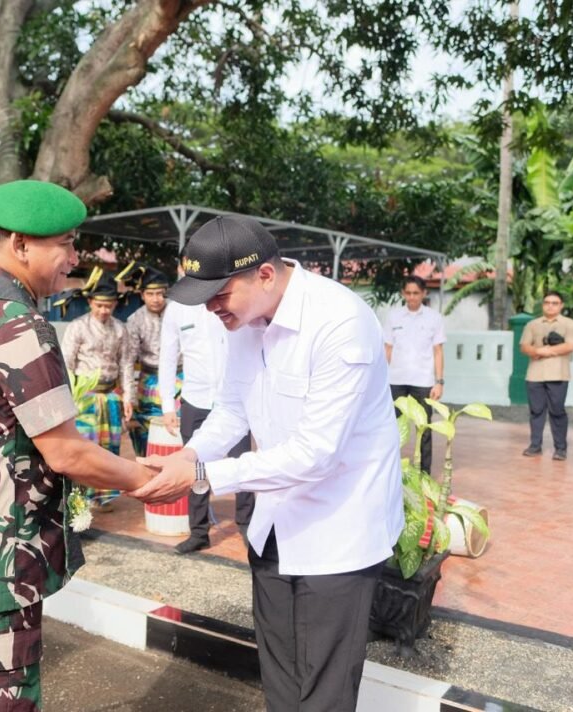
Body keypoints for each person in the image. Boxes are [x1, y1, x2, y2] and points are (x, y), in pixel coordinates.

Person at [131, 215, 404, 712]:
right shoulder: (243, 321)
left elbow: (317, 453)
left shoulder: (340, 322)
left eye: (219, 293)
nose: (211, 308)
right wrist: (189, 454)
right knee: (279, 671)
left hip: (338, 529)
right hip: (274, 521)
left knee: (324, 687)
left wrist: (201, 476)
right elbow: (233, 409)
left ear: (264, 275)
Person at [0, 180, 154, 712]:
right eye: (65, 245)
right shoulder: (14, 323)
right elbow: (66, 452)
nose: (74, 260)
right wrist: (149, 480)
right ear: (20, 245)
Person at [159, 297, 255, 554]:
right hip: (195, 399)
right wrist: (168, 405)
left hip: (233, 400)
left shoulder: (225, 301)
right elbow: (168, 357)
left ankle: (246, 524)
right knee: (196, 468)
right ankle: (199, 531)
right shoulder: (176, 309)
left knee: (241, 460)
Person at [61, 278, 133, 506]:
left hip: (110, 397)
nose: (104, 310)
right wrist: (66, 400)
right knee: (85, 448)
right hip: (84, 397)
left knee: (109, 448)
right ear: (90, 302)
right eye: (99, 305)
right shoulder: (77, 327)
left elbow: (126, 364)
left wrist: (128, 397)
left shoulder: (121, 329)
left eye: (109, 306)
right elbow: (66, 364)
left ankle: (103, 498)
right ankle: (79, 496)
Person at [383, 275, 446, 473]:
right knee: (392, 427)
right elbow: (388, 349)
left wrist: (439, 382)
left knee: (424, 427)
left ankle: (423, 473)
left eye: (416, 293)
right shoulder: (393, 317)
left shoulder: (434, 318)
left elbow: (438, 351)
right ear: (403, 293)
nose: (412, 297)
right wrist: (382, 379)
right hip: (396, 380)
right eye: (408, 293)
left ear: (424, 293)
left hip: (423, 381)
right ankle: (390, 470)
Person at [519, 290, 573, 460]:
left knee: (557, 411)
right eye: (547, 302)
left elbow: (570, 346)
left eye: (554, 303)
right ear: (543, 305)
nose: (550, 306)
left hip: (558, 374)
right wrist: (537, 350)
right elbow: (524, 347)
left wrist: (545, 351)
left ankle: (560, 449)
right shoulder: (533, 324)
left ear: (561, 306)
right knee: (536, 411)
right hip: (534, 375)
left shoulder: (569, 324)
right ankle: (535, 445)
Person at [122, 267, 175, 457]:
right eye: (151, 294)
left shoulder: (179, 311)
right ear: (142, 295)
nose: (156, 298)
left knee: (180, 432)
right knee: (146, 436)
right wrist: (128, 396)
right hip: (149, 381)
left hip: (180, 380)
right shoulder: (135, 320)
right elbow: (128, 361)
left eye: (160, 293)